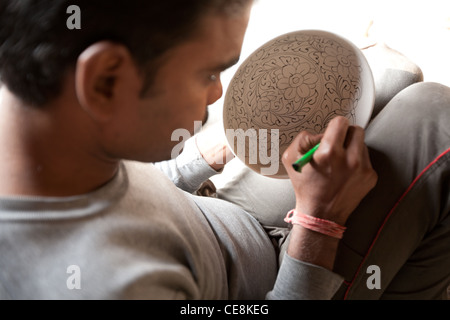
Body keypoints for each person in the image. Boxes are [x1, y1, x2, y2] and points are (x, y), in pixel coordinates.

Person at [0, 0, 448, 300]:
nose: (217, 94)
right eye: (209, 73)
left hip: (219, 214)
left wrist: (204, 159)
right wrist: (320, 220)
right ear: (105, 80)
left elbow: (132, 196)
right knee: (434, 117)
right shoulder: (115, 285)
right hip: (288, 275)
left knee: (390, 74)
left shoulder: (43, 127)